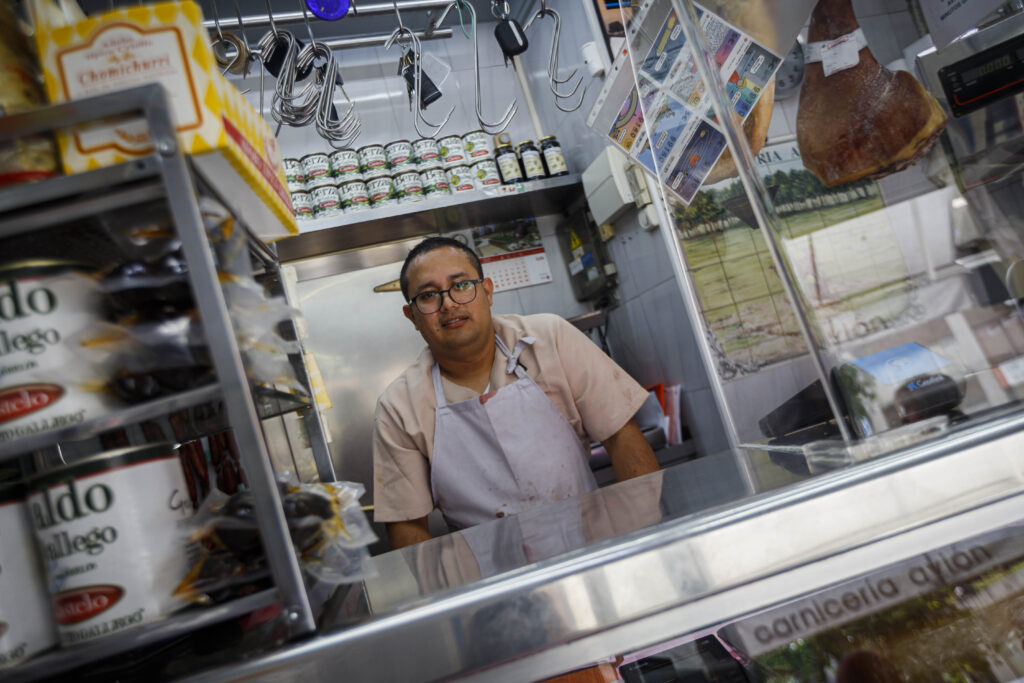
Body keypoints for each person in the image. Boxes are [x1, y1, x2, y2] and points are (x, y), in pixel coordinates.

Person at [373, 236, 660, 549]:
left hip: (593, 549)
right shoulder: (398, 407)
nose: (449, 303)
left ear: (487, 290)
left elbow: (622, 438)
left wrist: (647, 537)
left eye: (462, 285)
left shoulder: (550, 337)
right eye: (428, 295)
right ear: (411, 316)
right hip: (495, 580)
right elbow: (407, 526)